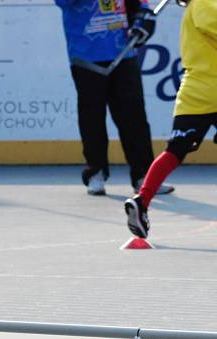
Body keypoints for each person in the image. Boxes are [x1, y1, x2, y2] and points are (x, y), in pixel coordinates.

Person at [56, 0, 175, 196]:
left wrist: (142, 23)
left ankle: (144, 177)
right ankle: (96, 172)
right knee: (92, 118)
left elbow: (140, 6)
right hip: (87, 58)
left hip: (124, 53)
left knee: (134, 118)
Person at [125, 0, 217, 238]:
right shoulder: (205, 4)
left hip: (194, 91)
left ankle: (142, 200)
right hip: (213, 87)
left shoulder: (195, 7)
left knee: (175, 150)